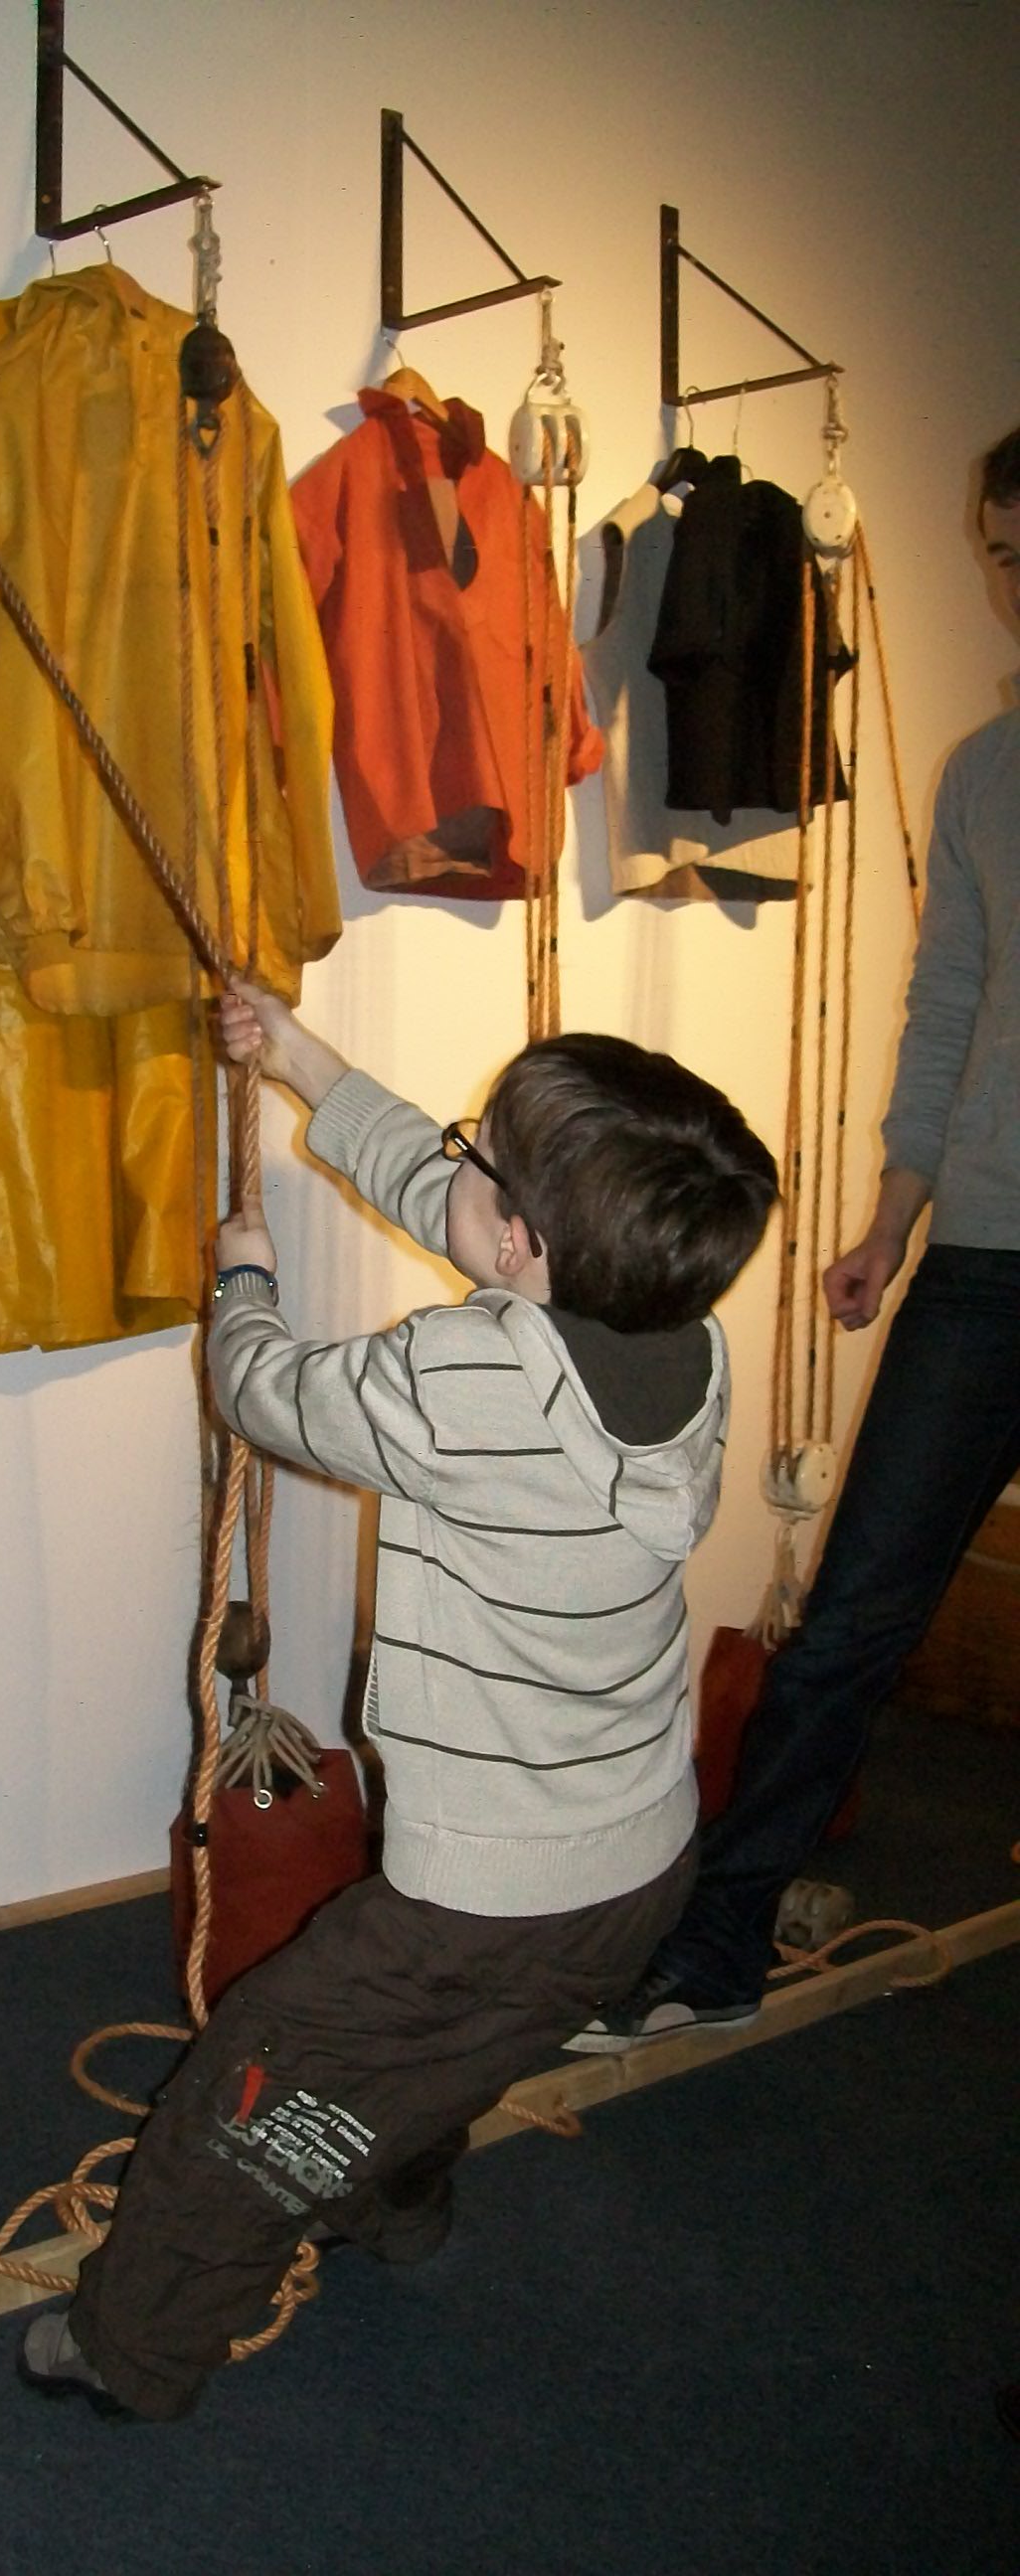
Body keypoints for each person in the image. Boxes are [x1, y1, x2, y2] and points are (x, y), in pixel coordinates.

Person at [18, 990, 778, 2420]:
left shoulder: (462, 1376)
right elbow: (453, 1199)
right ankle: (397, 2206)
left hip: (485, 1896)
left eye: (477, 1155)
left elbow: (266, 1393)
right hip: (637, 1865)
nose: (454, 1163)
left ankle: (131, 2352)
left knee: (254, 2089)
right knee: (448, 2051)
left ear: (524, 1243)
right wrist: (301, 1060)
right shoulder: (680, 1329)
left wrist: (244, 1283)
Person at [569, 423, 1020, 2052]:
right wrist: (893, 1217)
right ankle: (716, 1946)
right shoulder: (981, 777)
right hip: (984, 1260)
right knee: (849, 1622)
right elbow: (948, 1006)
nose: (1013, 586)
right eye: (1001, 556)